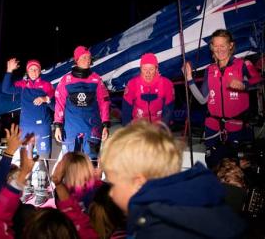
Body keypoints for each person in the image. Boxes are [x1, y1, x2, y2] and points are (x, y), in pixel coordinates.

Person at [100, 120, 246, 238]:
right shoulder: (189, 209)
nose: (111, 193)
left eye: (113, 184)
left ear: (138, 184)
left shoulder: (157, 228)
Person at [183, 29, 262, 168]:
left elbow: (259, 81)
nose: (219, 50)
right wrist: (189, 79)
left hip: (237, 128)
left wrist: (244, 85)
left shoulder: (243, 64)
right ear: (212, 47)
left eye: (223, 45)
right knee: (214, 167)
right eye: (216, 46)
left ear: (230, 45)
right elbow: (202, 99)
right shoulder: (210, 69)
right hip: (212, 128)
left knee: (237, 169)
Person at [2, 58, 55, 206]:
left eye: (37, 69)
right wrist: (9, 71)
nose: (34, 71)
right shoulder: (23, 85)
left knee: (43, 159)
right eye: (31, 69)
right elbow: (6, 89)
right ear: (27, 71)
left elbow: (55, 103)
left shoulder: (46, 85)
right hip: (26, 129)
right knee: (26, 159)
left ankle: (42, 190)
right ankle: (28, 188)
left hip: (42, 127)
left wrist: (45, 98)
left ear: (40, 71)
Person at [54, 45, 110, 161]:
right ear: (77, 60)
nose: (87, 60)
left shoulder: (97, 80)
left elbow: (104, 103)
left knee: (92, 164)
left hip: (92, 129)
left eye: (89, 58)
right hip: (70, 130)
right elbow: (59, 103)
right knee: (70, 164)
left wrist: (105, 125)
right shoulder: (66, 80)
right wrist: (58, 126)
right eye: (84, 57)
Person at [122, 53, 174, 126]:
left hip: (158, 127)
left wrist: (163, 130)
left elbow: (168, 111)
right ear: (140, 69)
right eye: (144, 69)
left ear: (156, 69)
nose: (148, 73)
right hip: (138, 127)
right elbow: (126, 111)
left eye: (151, 69)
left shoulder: (166, 84)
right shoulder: (132, 84)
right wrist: (127, 132)